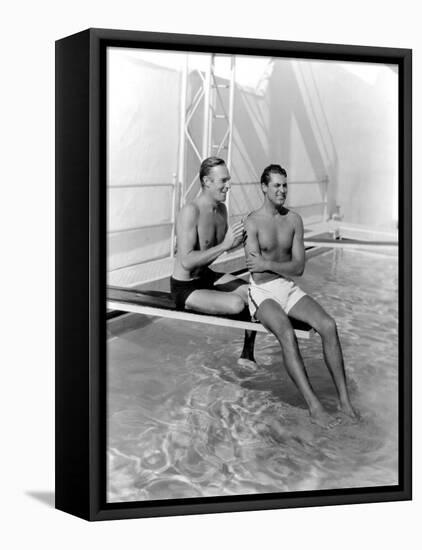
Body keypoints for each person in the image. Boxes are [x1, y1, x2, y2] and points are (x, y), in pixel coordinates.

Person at [244, 164, 359, 428]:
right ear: (264, 187)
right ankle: (314, 406)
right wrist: (267, 267)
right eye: (276, 185)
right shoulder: (252, 222)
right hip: (262, 292)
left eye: (285, 185)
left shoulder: (293, 220)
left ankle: (345, 402)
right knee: (286, 332)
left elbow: (299, 267)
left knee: (329, 326)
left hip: (286, 286)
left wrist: (269, 264)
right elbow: (257, 273)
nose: (282, 190)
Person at [171, 156, 256, 364]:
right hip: (185, 287)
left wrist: (242, 237)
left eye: (228, 180)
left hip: (206, 277)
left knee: (254, 294)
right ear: (207, 182)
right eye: (223, 181)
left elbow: (222, 248)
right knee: (237, 305)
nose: (228, 186)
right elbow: (187, 261)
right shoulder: (191, 211)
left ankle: (247, 355)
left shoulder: (221, 210)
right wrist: (226, 245)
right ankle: (195, 304)